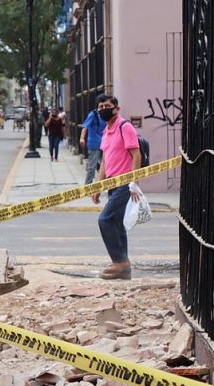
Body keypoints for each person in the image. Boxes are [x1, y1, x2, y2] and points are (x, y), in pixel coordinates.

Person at [90, 95, 140, 280]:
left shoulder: (124, 127)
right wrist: (99, 186)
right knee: (117, 224)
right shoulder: (106, 131)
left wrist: (134, 182)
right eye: (100, 106)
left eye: (107, 106)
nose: (103, 109)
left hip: (124, 184)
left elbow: (136, 155)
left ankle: (119, 261)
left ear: (116, 109)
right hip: (112, 184)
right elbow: (105, 161)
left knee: (105, 220)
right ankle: (123, 265)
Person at [80, 94, 107, 184]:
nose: (103, 108)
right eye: (101, 106)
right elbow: (85, 127)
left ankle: (102, 184)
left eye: (105, 106)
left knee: (105, 165)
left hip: (105, 143)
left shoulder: (106, 115)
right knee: (92, 166)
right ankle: (87, 186)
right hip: (94, 143)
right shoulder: (93, 114)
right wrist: (82, 138)